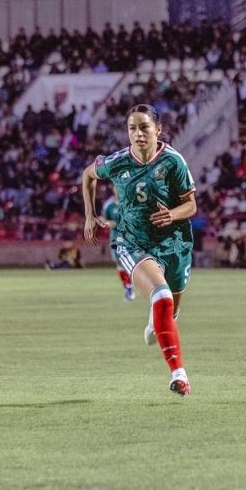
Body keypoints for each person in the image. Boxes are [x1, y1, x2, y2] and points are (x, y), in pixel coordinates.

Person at [82, 104, 196, 396]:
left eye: (144, 127)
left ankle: (156, 322)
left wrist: (172, 214)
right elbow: (88, 175)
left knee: (171, 308)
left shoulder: (173, 161)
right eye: (132, 128)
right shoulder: (118, 161)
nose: (138, 134)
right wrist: (89, 215)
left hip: (174, 243)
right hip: (133, 242)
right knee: (162, 297)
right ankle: (179, 374)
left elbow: (191, 205)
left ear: (158, 130)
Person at [100, 192, 134, 300]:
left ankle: (131, 286)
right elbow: (105, 219)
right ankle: (127, 287)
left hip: (129, 237)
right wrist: (104, 222)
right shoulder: (108, 205)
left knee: (129, 263)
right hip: (115, 237)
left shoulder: (128, 201)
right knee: (119, 263)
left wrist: (116, 223)